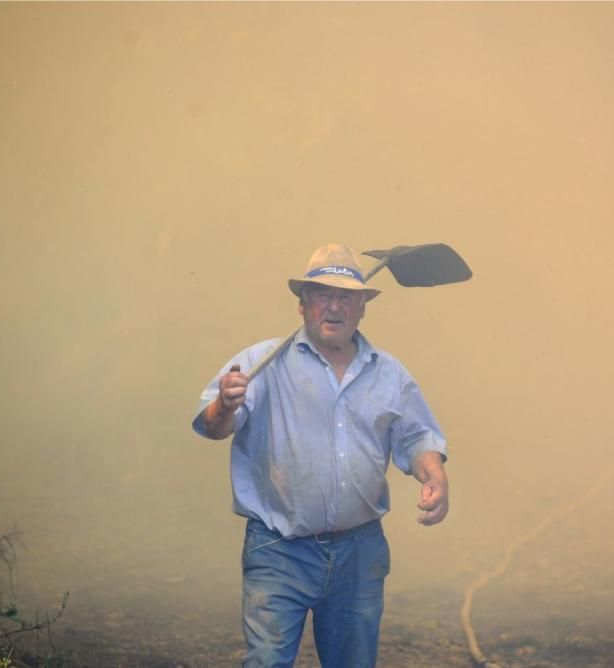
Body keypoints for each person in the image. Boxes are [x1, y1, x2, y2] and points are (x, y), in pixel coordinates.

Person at [192, 243, 449, 668]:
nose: (334, 307)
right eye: (323, 295)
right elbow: (213, 427)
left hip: (359, 551)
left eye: (346, 297)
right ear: (302, 304)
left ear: (363, 306)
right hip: (279, 548)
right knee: (267, 662)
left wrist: (435, 477)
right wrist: (226, 402)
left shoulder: (388, 374)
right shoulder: (260, 364)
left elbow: (418, 438)